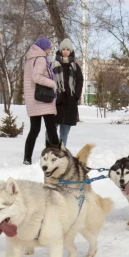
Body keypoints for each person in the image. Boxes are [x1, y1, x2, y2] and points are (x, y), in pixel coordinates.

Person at [23, 37, 59, 165]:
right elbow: (36, 77)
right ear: (44, 47)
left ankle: (27, 158)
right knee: (51, 129)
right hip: (43, 99)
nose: (49, 49)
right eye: (49, 47)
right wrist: (52, 84)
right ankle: (58, 156)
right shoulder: (41, 59)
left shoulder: (30, 58)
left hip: (33, 100)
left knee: (34, 130)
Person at [52, 38, 83, 147]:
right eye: (63, 49)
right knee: (51, 129)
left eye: (67, 49)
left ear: (71, 51)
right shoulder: (53, 64)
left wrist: (76, 96)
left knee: (64, 131)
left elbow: (80, 81)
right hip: (56, 102)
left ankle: (61, 151)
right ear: (60, 50)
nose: (65, 51)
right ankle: (50, 149)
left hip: (70, 102)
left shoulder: (75, 66)